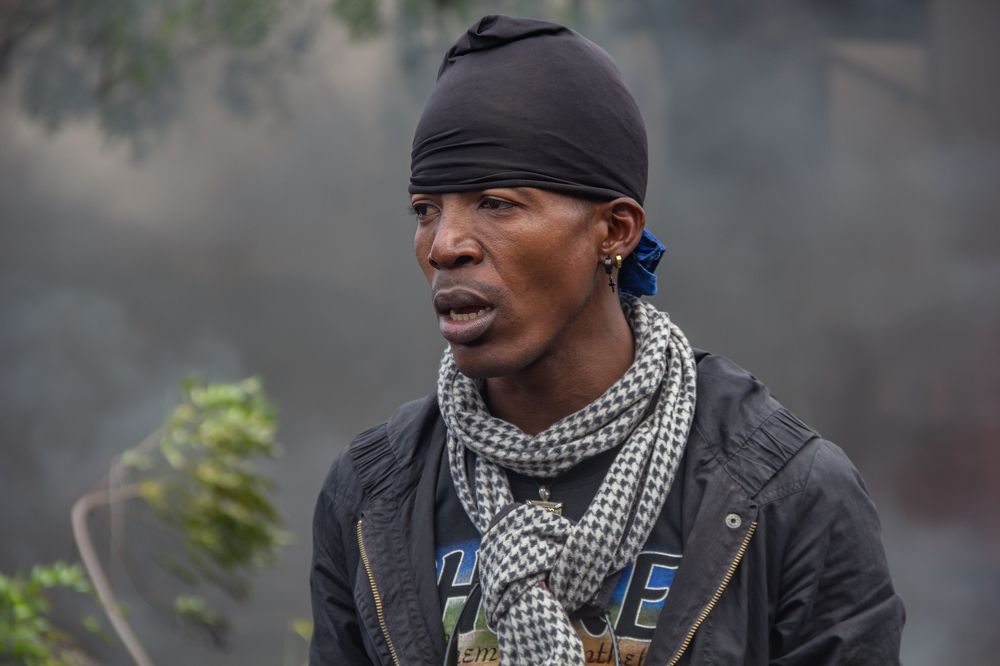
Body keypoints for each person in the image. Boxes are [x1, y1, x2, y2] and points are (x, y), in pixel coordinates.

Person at [309, 15, 904, 666]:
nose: (445, 244)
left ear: (615, 231)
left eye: (497, 203)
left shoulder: (787, 495)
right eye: (425, 209)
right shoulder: (372, 497)